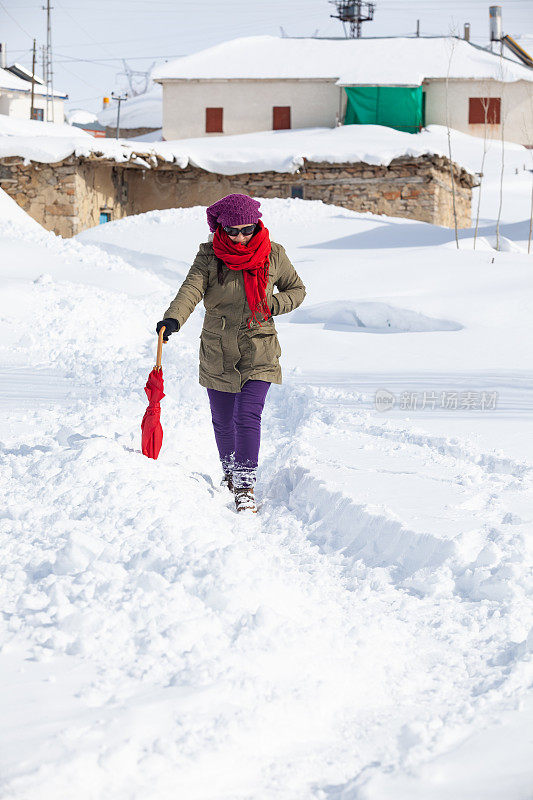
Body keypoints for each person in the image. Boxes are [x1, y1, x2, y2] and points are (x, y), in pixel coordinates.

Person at [156, 193, 306, 513]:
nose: (240, 237)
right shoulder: (210, 257)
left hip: (259, 345)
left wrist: (270, 306)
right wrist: (173, 318)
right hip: (218, 348)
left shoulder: (273, 254)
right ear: (221, 228)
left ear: (257, 224)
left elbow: (297, 290)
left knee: (246, 415)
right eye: (233, 230)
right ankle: (229, 471)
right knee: (223, 421)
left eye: (247, 229)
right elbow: (191, 290)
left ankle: (244, 484)